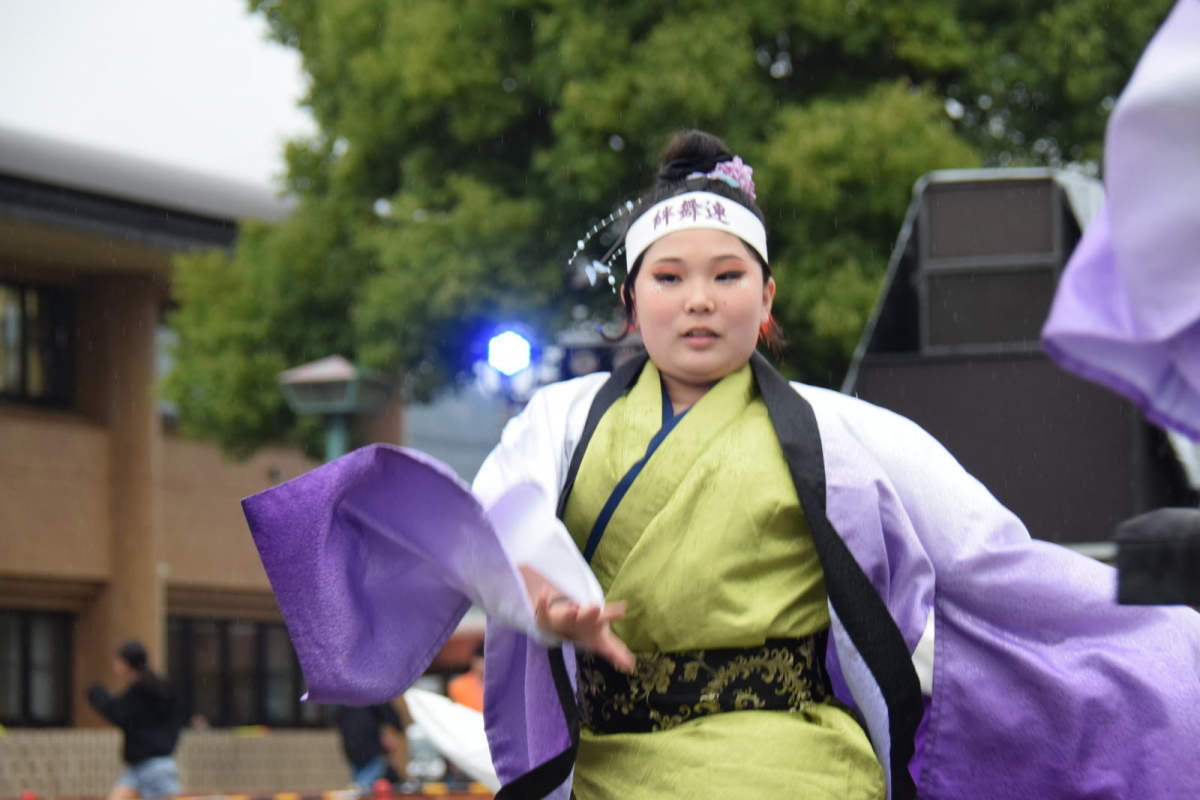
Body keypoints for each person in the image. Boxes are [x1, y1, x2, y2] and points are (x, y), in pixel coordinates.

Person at [244, 130, 1200, 799]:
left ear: (767, 294)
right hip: (617, 762)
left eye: (726, 275)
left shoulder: (849, 434)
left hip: (794, 761)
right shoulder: (557, 423)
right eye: (670, 277)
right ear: (631, 300)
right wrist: (542, 603)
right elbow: (482, 540)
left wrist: (1157, 628)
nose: (698, 300)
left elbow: (998, 563)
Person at [87, 640, 185, 800]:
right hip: (145, 766)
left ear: (126, 664)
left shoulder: (141, 691)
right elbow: (181, 714)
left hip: (153, 767)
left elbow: (119, 714)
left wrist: (97, 695)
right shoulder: (162, 688)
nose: (115, 666)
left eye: (118, 662)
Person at [333, 702, 406, 793]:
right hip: (368, 748)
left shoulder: (344, 700)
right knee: (365, 784)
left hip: (353, 749)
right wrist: (397, 726)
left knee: (364, 782)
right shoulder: (370, 697)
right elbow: (387, 712)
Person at [447, 642, 485, 713]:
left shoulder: (501, 685)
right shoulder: (458, 685)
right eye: (481, 662)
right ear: (474, 661)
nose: (483, 666)